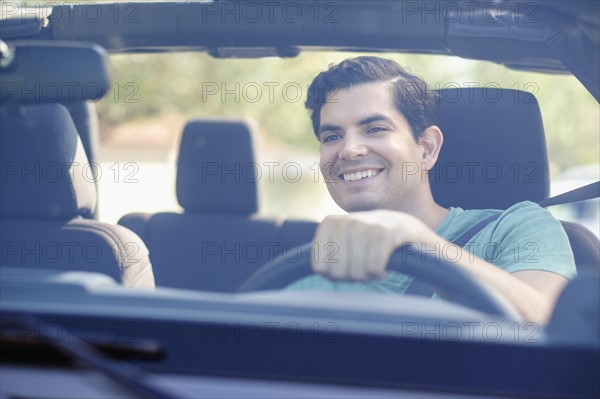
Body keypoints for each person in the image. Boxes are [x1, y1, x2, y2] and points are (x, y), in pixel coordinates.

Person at [286, 56, 576, 325]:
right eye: (332, 136)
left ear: (426, 149)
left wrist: (420, 241)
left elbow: (549, 324)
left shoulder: (518, 226)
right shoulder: (307, 262)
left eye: (375, 129)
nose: (349, 150)